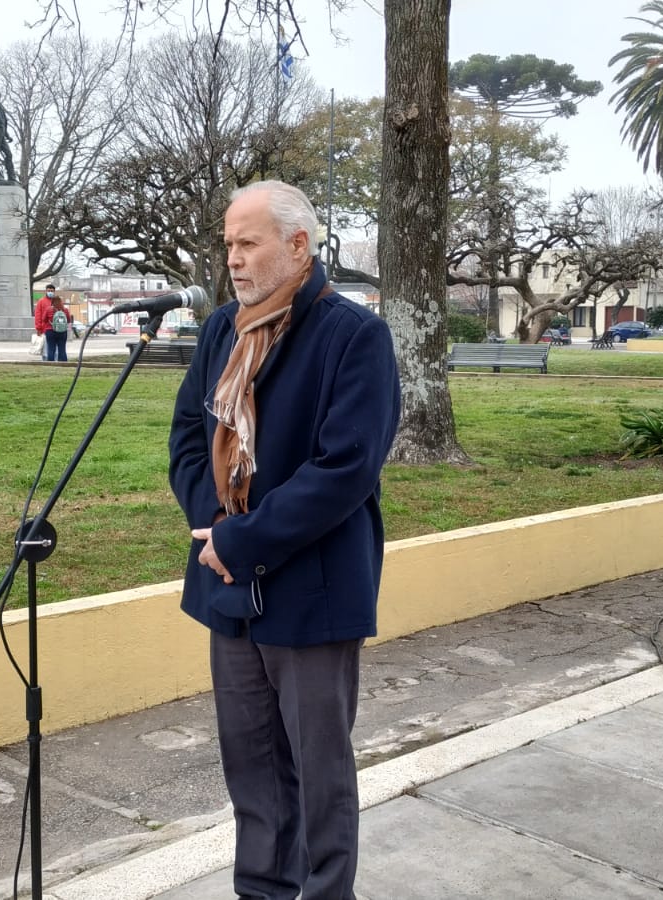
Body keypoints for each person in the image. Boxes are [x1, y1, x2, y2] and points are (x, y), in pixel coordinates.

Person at [168, 180, 400, 900]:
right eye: (228, 244)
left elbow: (346, 468)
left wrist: (243, 541)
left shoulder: (353, 335)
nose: (232, 259)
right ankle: (262, 891)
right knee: (253, 768)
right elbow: (186, 436)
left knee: (318, 772)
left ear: (298, 245)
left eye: (247, 242)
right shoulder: (219, 331)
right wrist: (212, 522)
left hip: (312, 587)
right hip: (227, 583)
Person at [41, 288, 72, 362]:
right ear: (61, 302)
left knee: (51, 348)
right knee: (62, 349)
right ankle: (64, 364)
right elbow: (68, 320)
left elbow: (44, 319)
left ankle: (51, 364)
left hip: (50, 331)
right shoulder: (65, 310)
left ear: (52, 302)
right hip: (62, 331)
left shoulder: (48, 309)